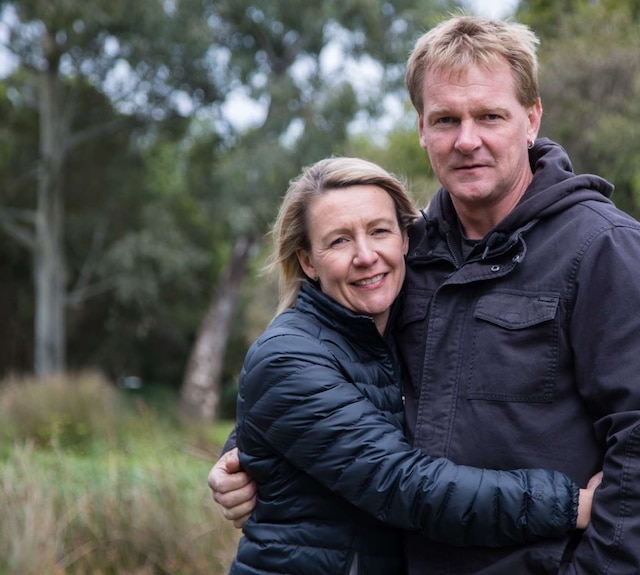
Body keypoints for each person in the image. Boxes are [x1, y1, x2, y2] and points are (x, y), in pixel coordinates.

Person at [212, 15, 640, 575]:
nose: (467, 140)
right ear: (422, 128)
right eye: (446, 119)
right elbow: (331, 364)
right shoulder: (406, 254)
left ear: (532, 119)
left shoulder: (605, 250)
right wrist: (243, 456)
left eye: (489, 116)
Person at [227, 156, 602, 575]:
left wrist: (237, 456)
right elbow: (409, 485)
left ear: (405, 239)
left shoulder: (399, 328)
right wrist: (574, 504)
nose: (366, 256)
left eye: (379, 231)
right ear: (308, 262)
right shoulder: (288, 356)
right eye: (339, 241)